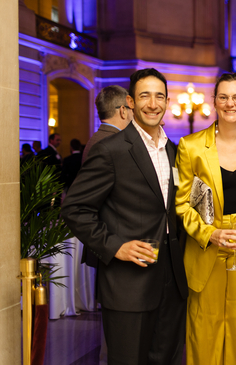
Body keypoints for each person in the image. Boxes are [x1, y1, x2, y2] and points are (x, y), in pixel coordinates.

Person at [61, 68, 188, 365]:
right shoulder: (111, 150)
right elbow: (74, 208)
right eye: (145, 96)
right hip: (129, 284)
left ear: (168, 102)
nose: (153, 103)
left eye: (160, 96)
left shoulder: (175, 151)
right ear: (130, 102)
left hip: (173, 282)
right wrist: (115, 245)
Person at [175, 73, 236, 365]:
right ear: (214, 102)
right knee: (205, 326)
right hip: (207, 244)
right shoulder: (190, 146)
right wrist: (210, 234)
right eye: (224, 97)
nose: (230, 103)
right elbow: (182, 205)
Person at [82, 85, 133, 163]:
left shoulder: (95, 139)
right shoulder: (117, 144)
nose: (134, 114)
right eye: (132, 109)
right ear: (123, 111)